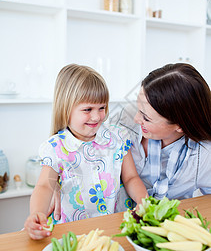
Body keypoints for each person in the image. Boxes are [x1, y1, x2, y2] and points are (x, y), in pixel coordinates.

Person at [24, 64, 147, 240]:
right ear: (66, 109)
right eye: (88, 109)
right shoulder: (56, 148)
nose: (97, 117)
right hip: (76, 234)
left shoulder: (118, 137)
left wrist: (144, 201)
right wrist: (36, 214)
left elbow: (130, 177)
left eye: (102, 107)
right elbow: (45, 186)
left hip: (117, 227)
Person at [118, 63, 211, 200]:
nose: (137, 118)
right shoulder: (126, 118)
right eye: (139, 108)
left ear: (181, 126)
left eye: (146, 118)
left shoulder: (203, 155)